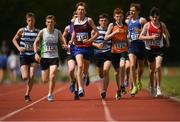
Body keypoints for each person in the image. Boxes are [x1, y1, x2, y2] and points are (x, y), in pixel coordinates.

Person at [34, 15, 67, 102]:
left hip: (54, 57)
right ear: (46, 23)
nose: (50, 24)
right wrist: (35, 53)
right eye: (48, 22)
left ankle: (50, 94)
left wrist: (64, 45)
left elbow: (63, 41)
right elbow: (35, 43)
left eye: (51, 22)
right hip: (44, 57)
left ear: (54, 23)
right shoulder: (42, 32)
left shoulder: (58, 32)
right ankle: (49, 80)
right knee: (45, 80)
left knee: (52, 76)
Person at [139, 7, 170, 97]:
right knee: (152, 70)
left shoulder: (162, 25)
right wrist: (150, 37)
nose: (155, 18)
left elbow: (167, 34)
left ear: (159, 17)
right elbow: (140, 37)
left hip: (159, 49)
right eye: (153, 17)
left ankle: (158, 87)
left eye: (157, 17)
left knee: (158, 67)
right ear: (150, 17)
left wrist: (167, 40)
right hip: (149, 49)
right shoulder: (147, 25)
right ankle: (152, 86)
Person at [70, 2, 99, 97]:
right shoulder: (74, 21)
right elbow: (74, 31)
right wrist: (71, 40)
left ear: (85, 11)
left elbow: (97, 33)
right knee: (80, 66)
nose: (80, 11)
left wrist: (90, 40)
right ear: (76, 11)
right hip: (78, 48)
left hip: (87, 48)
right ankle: (80, 89)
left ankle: (86, 76)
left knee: (85, 70)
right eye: (79, 9)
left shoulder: (89, 20)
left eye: (82, 9)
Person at [12, 12, 39, 102]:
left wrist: (38, 50)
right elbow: (14, 39)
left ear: (34, 21)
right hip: (24, 55)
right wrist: (19, 48)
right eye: (29, 20)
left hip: (33, 56)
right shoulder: (22, 30)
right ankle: (25, 77)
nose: (30, 22)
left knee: (32, 75)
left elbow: (41, 43)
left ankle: (27, 94)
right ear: (26, 21)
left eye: (32, 20)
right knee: (24, 77)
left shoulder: (38, 32)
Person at [105, 8, 129, 100]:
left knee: (123, 65)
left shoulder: (125, 25)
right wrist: (115, 32)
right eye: (117, 16)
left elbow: (126, 37)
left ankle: (122, 84)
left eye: (120, 16)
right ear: (114, 17)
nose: (119, 18)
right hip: (114, 52)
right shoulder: (112, 25)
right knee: (116, 73)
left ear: (123, 17)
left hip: (123, 50)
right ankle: (119, 89)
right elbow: (106, 38)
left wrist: (128, 42)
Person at [125, 3, 147, 96]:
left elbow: (148, 30)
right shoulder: (127, 21)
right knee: (132, 65)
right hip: (132, 46)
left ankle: (138, 79)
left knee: (141, 68)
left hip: (141, 45)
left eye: (134, 10)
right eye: (131, 10)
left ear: (138, 11)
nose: (132, 12)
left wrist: (141, 31)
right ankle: (134, 86)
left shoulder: (142, 20)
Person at [92, 13, 111, 99]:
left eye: (105, 20)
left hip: (108, 53)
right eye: (102, 21)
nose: (103, 22)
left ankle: (104, 91)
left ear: (107, 21)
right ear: (99, 22)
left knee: (106, 70)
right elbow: (90, 42)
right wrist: (97, 45)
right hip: (98, 54)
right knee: (101, 74)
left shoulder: (110, 30)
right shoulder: (95, 30)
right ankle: (101, 75)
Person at [63, 12, 79, 100]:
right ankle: (73, 81)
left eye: (78, 16)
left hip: (80, 51)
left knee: (78, 72)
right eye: (75, 16)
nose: (76, 18)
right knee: (71, 69)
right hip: (71, 51)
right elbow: (63, 36)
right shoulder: (68, 27)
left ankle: (77, 92)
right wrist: (65, 44)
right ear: (72, 18)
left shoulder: (83, 26)